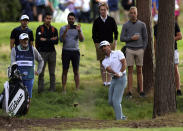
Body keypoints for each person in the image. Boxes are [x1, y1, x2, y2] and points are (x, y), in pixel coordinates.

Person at [120, 6, 148, 97]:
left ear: (137, 13)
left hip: (140, 50)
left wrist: (143, 49)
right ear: (129, 14)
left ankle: (141, 91)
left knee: (140, 70)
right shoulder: (125, 25)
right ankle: (129, 91)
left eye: (134, 13)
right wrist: (131, 38)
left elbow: (145, 38)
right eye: (131, 13)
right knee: (130, 70)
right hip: (129, 49)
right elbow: (122, 38)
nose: (133, 14)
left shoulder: (142, 25)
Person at [11, 33, 44, 99]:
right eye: (23, 40)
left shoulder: (32, 49)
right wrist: (15, 74)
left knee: (28, 97)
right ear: (20, 40)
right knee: (17, 97)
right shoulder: (14, 50)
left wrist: (38, 71)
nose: (25, 41)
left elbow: (41, 60)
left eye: (26, 39)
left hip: (30, 77)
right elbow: (13, 64)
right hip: (18, 78)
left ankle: (26, 109)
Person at [92, 2, 118, 86]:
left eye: (104, 10)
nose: (102, 11)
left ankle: (109, 81)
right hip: (100, 44)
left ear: (107, 10)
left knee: (110, 62)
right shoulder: (96, 21)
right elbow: (94, 34)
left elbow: (116, 32)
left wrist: (115, 41)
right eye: (101, 10)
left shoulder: (111, 20)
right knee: (102, 63)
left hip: (110, 43)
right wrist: (96, 44)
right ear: (99, 10)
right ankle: (104, 82)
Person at [100, 40, 127, 120]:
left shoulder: (118, 52)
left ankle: (119, 119)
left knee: (116, 101)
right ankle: (122, 116)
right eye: (102, 48)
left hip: (122, 78)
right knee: (111, 102)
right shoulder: (104, 61)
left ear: (109, 46)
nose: (104, 48)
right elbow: (108, 69)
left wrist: (120, 73)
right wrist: (116, 73)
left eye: (105, 46)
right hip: (114, 79)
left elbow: (124, 63)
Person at [154, 22, 182, 96]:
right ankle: (164, 89)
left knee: (175, 69)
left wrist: (170, 39)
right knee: (163, 70)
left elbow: (180, 36)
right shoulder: (156, 26)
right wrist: (156, 52)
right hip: (161, 52)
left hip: (173, 50)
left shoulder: (174, 23)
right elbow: (155, 41)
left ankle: (178, 89)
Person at [60, 12, 84, 93]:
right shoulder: (63, 28)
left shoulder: (77, 28)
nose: (71, 20)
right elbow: (61, 40)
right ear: (67, 19)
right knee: (65, 70)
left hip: (75, 51)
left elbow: (82, 40)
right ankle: (64, 89)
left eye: (72, 19)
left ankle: (77, 89)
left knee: (76, 71)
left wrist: (79, 31)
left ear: (74, 19)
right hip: (66, 51)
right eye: (69, 19)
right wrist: (65, 31)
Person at [35, 12, 58, 93]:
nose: (48, 20)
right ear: (44, 19)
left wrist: (45, 39)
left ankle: (52, 89)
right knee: (41, 72)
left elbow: (56, 42)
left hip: (52, 53)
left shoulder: (54, 29)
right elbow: (38, 41)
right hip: (42, 53)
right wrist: (51, 39)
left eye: (50, 18)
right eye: (47, 18)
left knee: (52, 72)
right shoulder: (39, 28)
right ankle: (40, 90)